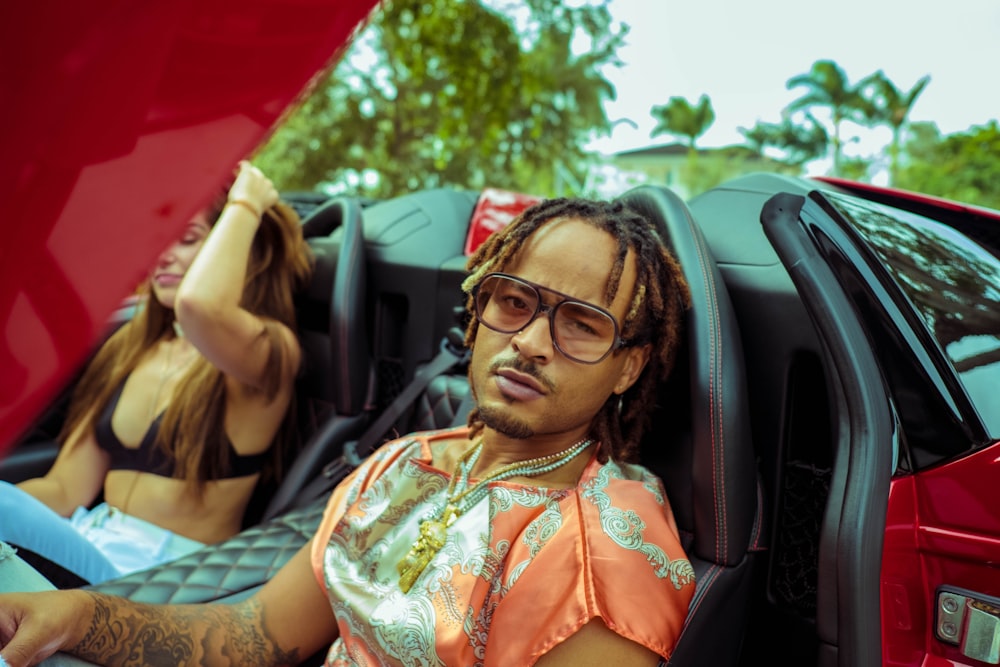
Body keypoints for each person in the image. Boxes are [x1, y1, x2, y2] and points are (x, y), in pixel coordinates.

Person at [0, 196, 696, 667]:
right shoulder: (405, 465)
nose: (533, 341)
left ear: (630, 365)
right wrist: (77, 618)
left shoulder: (608, 553)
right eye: (513, 302)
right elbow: (251, 633)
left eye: (580, 324)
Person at [0, 161, 314, 585]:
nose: (162, 252)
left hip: (164, 581)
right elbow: (64, 490)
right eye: (162, 238)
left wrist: (248, 199)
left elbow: (200, 305)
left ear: (243, 248)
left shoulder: (270, 352)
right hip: (90, 540)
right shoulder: (133, 347)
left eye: (188, 239)